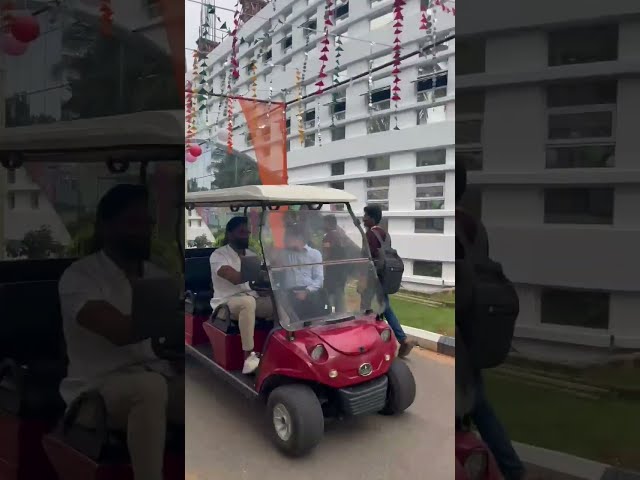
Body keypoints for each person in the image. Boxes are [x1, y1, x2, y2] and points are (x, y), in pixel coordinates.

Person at [58, 184, 183, 480]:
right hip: (94, 393)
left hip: (158, 375)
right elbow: (118, 331)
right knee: (149, 388)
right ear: (106, 226)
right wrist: (171, 324)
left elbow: (163, 341)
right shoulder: (80, 276)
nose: (142, 232)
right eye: (132, 223)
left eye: (147, 224)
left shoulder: (157, 276)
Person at [456, 162, 526, 480]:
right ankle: (511, 469)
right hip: (480, 325)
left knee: (471, 404)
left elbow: (461, 282)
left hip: (462, 327)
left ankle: (508, 469)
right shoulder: (475, 224)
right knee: (478, 403)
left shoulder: (453, 226)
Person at [210, 216, 273, 375]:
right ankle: (249, 357)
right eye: (241, 232)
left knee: (278, 302)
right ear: (230, 234)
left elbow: (255, 282)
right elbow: (232, 277)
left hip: (252, 298)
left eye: (247, 232)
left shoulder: (251, 254)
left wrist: (266, 282)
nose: (246, 235)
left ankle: (277, 349)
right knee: (247, 302)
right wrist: (253, 274)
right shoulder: (218, 255)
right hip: (226, 303)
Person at [362, 204, 414, 358]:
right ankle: (390, 339)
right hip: (385, 276)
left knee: (367, 308)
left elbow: (365, 258)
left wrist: (362, 279)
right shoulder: (386, 234)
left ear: (372, 218)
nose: (363, 219)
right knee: (383, 306)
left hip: (373, 277)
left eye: (365, 216)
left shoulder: (370, 235)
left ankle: (399, 340)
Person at [279, 224, 325, 319]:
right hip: (290, 293)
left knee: (316, 302)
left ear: (298, 238)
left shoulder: (315, 254)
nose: (285, 239)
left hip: (309, 291)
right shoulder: (284, 254)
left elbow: (319, 279)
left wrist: (307, 291)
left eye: (288, 237)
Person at [322, 215, 349, 312]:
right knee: (340, 295)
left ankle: (328, 315)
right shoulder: (342, 235)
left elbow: (326, 253)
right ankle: (341, 315)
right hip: (342, 271)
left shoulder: (328, 237)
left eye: (324, 223)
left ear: (328, 223)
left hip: (332, 272)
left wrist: (322, 268)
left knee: (328, 296)